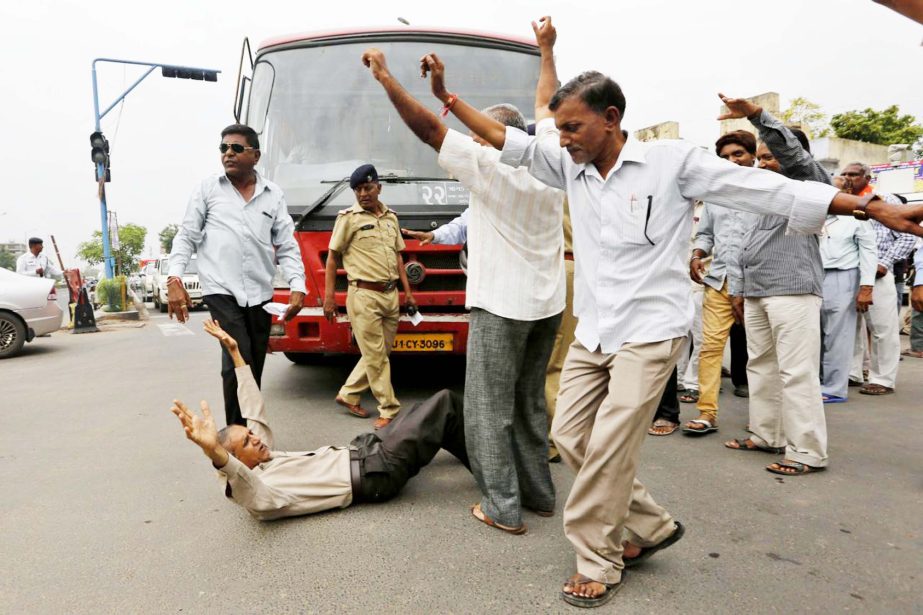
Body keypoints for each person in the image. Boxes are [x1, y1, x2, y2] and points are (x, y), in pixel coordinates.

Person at [465, 16, 923, 607]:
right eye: (560, 129)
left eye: (573, 127)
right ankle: (653, 525)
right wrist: (448, 99)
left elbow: (766, 190)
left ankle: (598, 560)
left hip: (650, 333)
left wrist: (865, 206)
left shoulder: (672, 163)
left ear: (611, 119)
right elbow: (511, 139)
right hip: (596, 332)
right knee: (570, 435)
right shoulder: (569, 163)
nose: (565, 138)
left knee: (605, 450)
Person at [362, 47, 565, 535]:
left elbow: (428, 129)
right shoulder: (556, 158)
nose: (472, 141)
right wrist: (547, 50)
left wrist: (387, 78)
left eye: (479, 135)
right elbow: (548, 100)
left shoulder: (489, 167)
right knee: (530, 404)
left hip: (500, 306)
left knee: (487, 411)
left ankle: (501, 506)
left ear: (499, 138)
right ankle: (538, 495)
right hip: (548, 305)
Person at [170, 319, 469, 520]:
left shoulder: (265, 458)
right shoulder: (260, 494)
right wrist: (215, 453)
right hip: (377, 471)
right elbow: (238, 476)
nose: (255, 437)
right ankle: (506, 480)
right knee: (445, 404)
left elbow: (254, 408)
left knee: (426, 413)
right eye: (247, 442)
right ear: (236, 460)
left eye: (250, 434)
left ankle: (487, 459)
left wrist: (235, 354)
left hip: (368, 450)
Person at [404, 197, 577, 461]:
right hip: (559, 270)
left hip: (548, 271)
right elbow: (472, 217)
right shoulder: (565, 174)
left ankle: (549, 442)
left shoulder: (539, 175)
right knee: (549, 361)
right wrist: (436, 234)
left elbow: (473, 217)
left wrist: (437, 234)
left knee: (546, 363)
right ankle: (542, 439)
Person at [168, 124, 307, 427]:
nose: (228, 153)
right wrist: (174, 279)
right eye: (223, 148)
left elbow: (286, 243)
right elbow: (186, 236)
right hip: (221, 290)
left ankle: (250, 429)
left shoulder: (273, 195)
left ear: (255, 155)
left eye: (236, 148)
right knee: (237, 357)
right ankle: (235, 442)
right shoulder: (208, 189)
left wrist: (298, 284)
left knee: (253, 364)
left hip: (260, 294)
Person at [324, 164, 417, 429]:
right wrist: (330, 297)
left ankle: (348, 393)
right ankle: (389, 407)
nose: (362, 194)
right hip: (363, 294)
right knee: (376, 355)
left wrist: (407, 294)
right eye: (357, 190)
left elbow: (399, 256)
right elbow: (332, 258)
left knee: (379, 353)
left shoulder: (391, 218)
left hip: (390, 295)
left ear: (379, 187)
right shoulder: (348, 219)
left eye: (367, 188)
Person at [685, 132, 758, 436]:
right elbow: (706, 234)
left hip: (758, 284)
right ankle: (707, 413)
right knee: (710, 348)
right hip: (719, 281)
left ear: (753, 156)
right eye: (725, 157)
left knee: (762, 352)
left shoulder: (764, 189)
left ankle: (766, 419)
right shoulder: (715, 193)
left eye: (738, 154)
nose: (732, 161)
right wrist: (698, 253)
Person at [841, 163, 916, 395]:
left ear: (867, 177)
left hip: (877, 275)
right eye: (844, 174)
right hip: (846, 273)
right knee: (849, 328)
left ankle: (882, 379)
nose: (847, 178)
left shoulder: (885, 200)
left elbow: (907, 236)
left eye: (853, 174)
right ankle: (852, 373)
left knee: (883, 328)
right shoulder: (840, 202)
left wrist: (884, 262)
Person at [818, 187, 877, 403]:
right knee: (814, 335)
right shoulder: (816, 215)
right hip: (813, 276)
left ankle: (834, 389)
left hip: (843, 276)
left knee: (838, 336)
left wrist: (866, 287)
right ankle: (816, 383)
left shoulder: (857, 217)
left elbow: (869, 251)